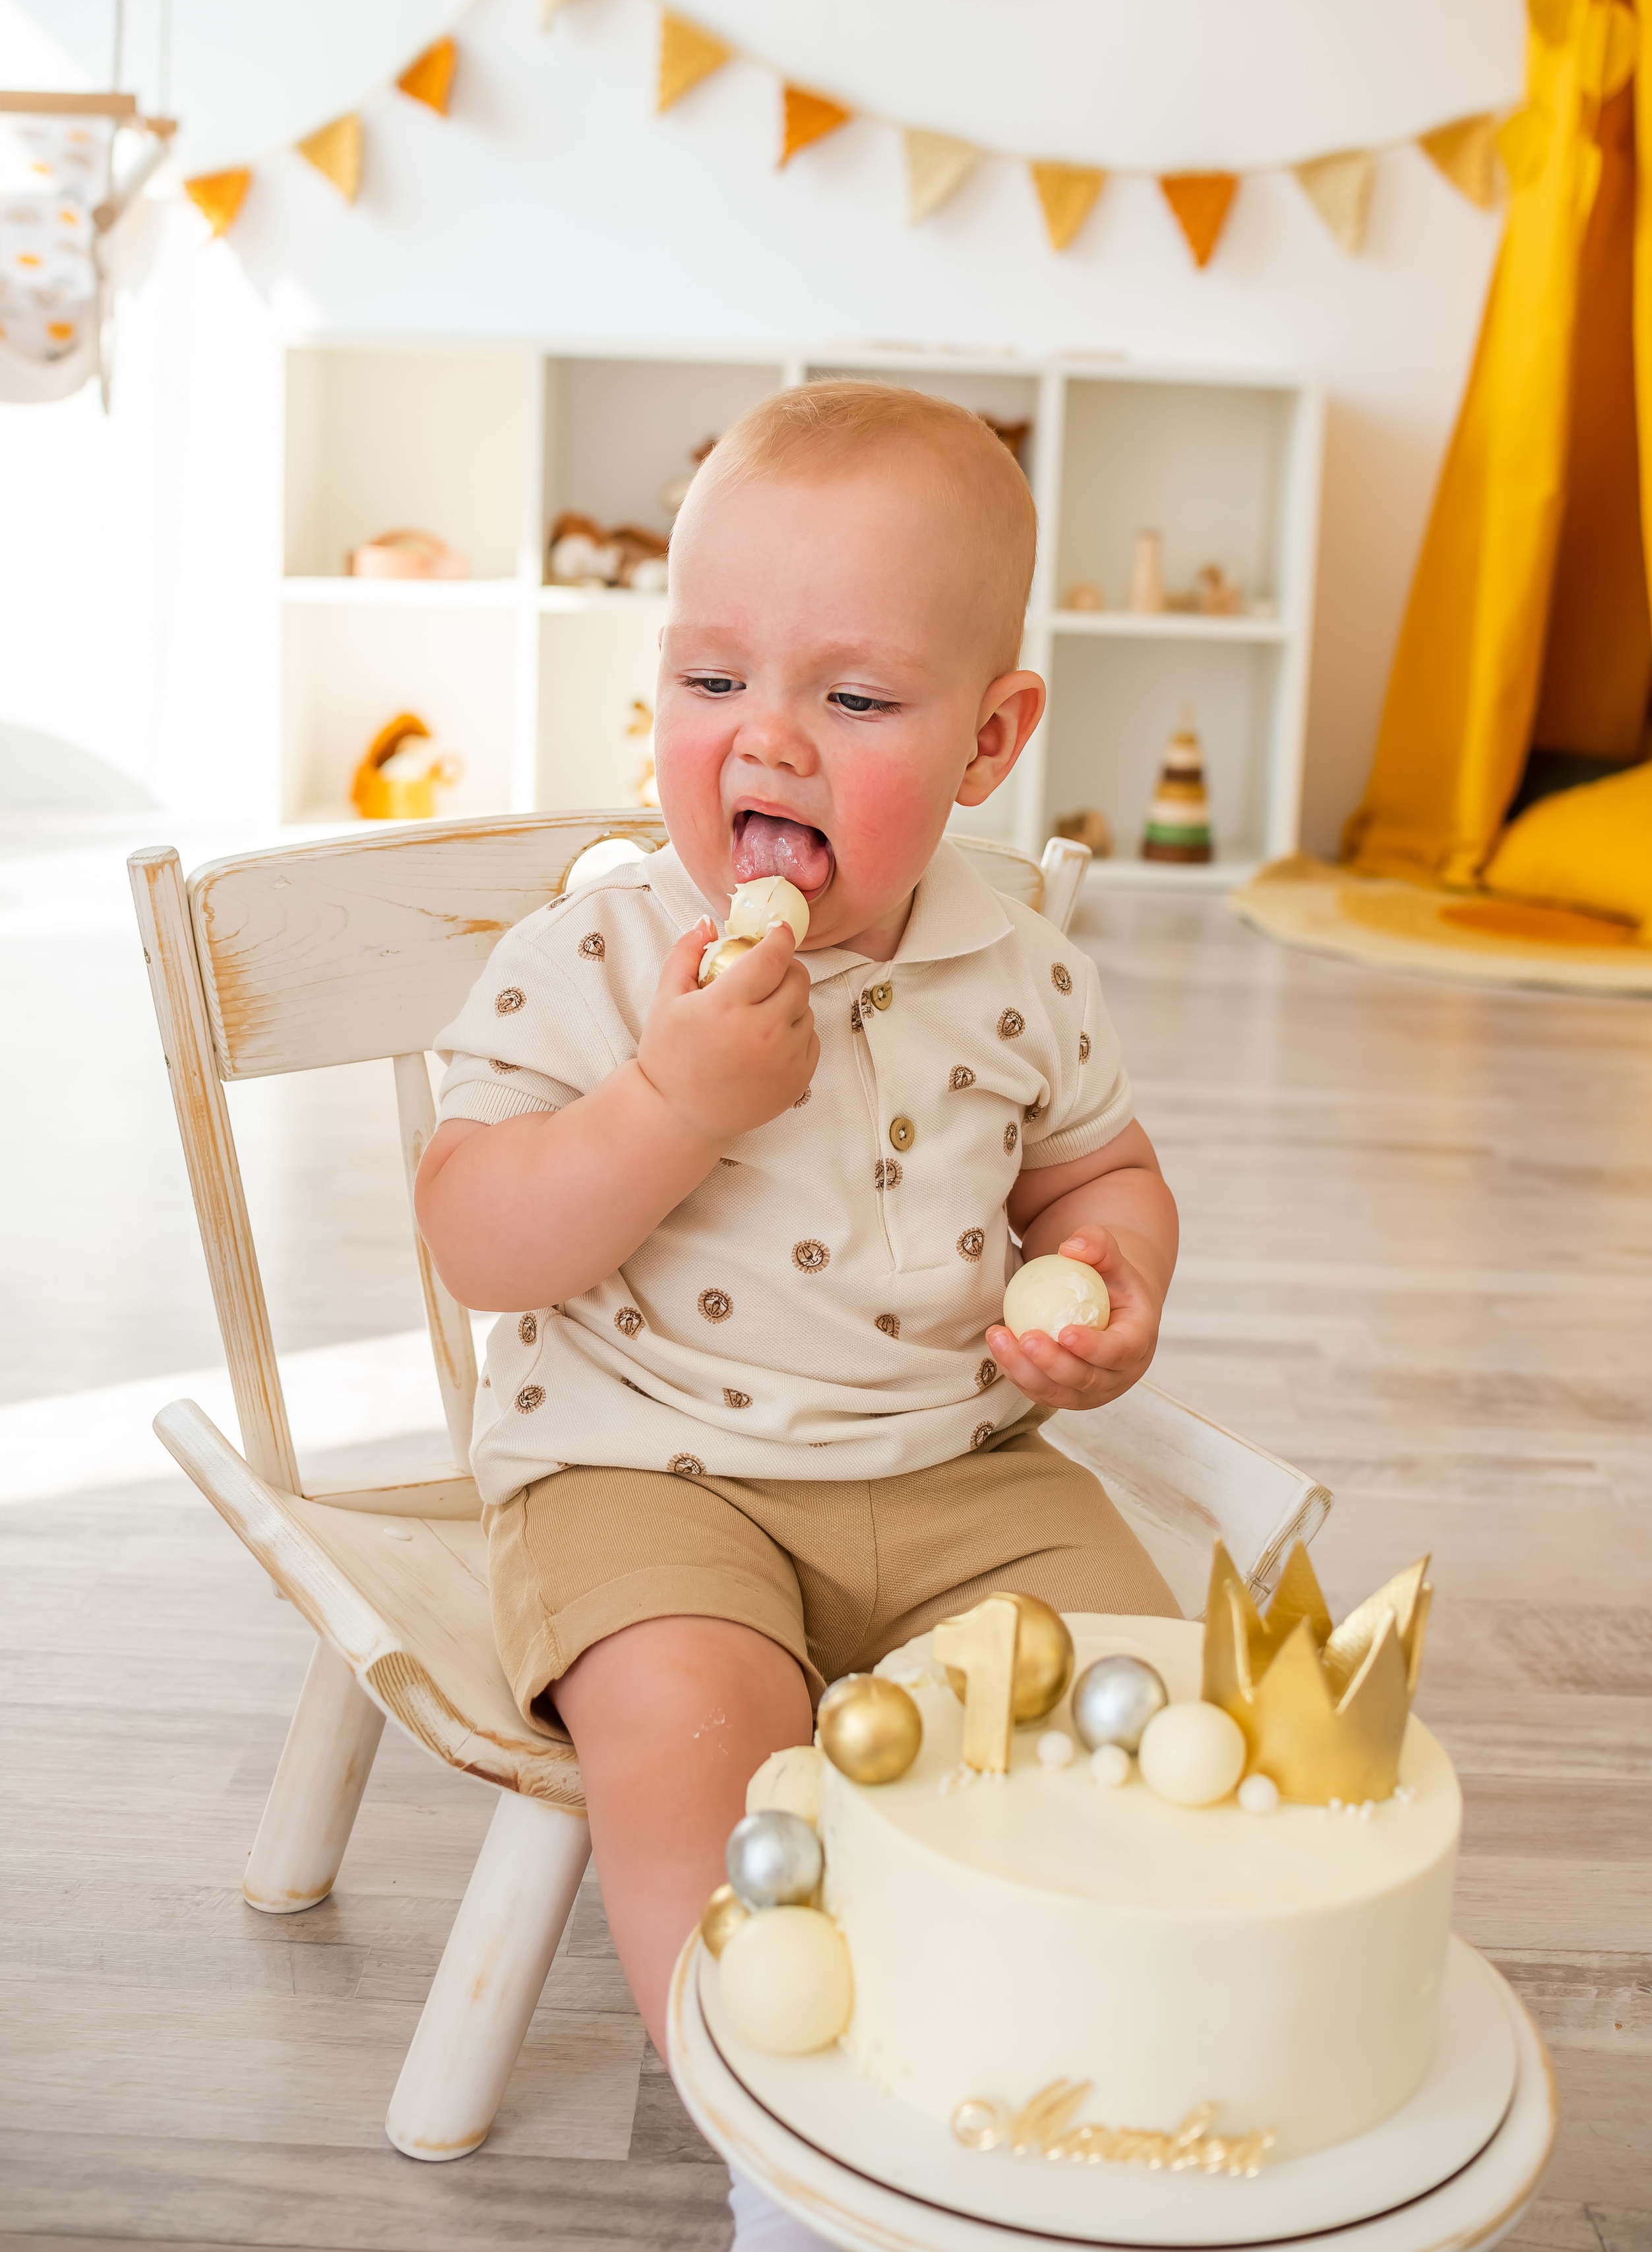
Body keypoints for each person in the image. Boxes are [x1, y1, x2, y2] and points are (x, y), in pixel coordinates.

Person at [416, 380, 1180, 2245]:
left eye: (852, 699)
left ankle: (1093, 2043)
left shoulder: (1017, 963)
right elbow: (478, 1235)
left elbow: (1100, 1169)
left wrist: (1117, 1285)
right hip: (643, 1471)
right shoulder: (597, 959)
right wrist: (668, 1100)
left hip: (958, 1457)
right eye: (710, 683)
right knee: (694, 1742)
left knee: (1141, 1711)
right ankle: (786, 2124)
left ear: (993, 739)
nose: (766, 739)